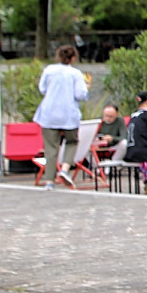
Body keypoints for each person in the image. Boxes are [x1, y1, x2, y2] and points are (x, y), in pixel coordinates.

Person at [34, 44, 91, 190]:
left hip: (49, 113)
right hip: (68, 113)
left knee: (51, 148)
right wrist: (86, 89)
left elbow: (42, 89)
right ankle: (65, 169)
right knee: (72, 142)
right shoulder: (76, 74)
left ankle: (49, 181)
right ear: (73, 58)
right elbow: (80, 94)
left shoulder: (49, 70)